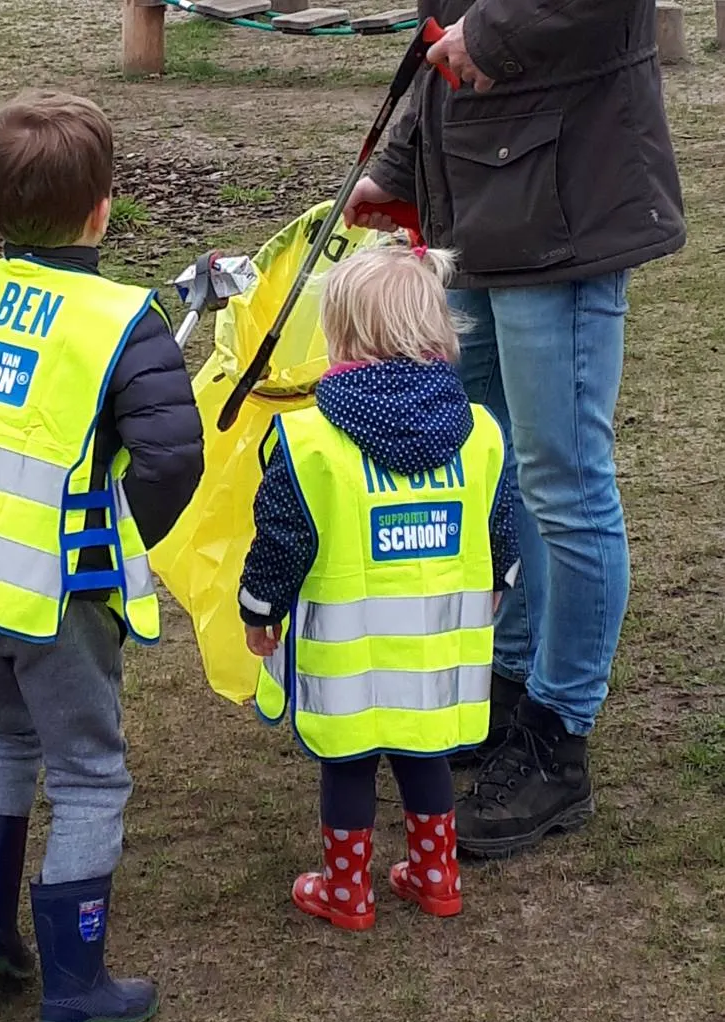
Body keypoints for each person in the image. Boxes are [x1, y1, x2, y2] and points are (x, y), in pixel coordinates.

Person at [0, 90, 204, 1022]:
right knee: (90, 773)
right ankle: (75, 983)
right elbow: (172, 459)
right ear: (104, 207)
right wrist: (124, 541)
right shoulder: (123, 319)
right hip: (55, 591)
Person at [345, 0, 685, 858]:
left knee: (565, 482)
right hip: (474, 202)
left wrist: (490, 36)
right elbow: (445, 25)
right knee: (496, 467)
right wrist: (398, 162)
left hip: (565, 203)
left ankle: (558, 733)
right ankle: (512, 681)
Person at [240, 243, 518, 929]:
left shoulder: (308, 440)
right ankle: (436, 878)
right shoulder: (480, 432)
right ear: (440, 329)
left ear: (339, 334)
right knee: (426, 754)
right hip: (437, 653)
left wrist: (259, 607)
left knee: (348, 763)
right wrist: (499, 582)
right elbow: (501, 523)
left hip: (350, 661)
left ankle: (347, 891)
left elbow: (281, 538)